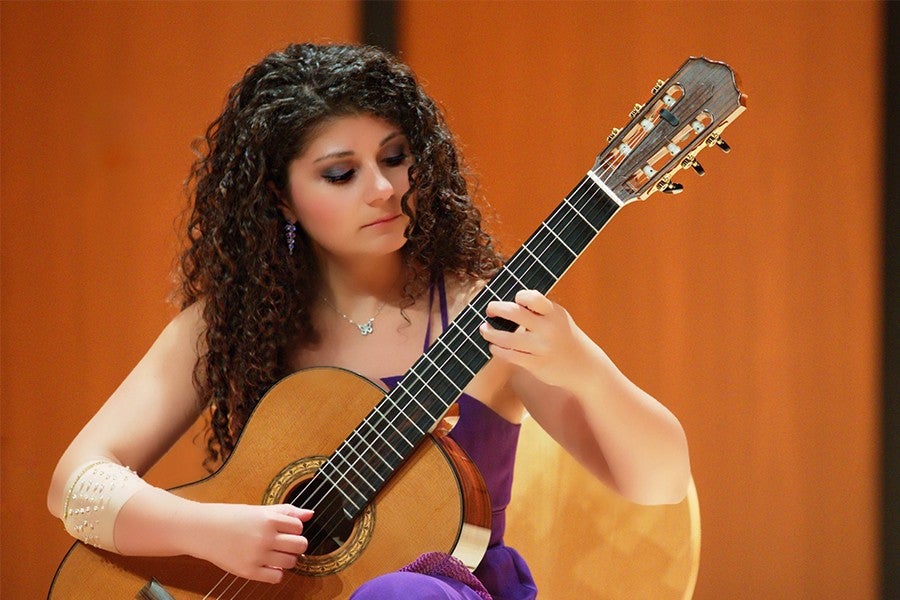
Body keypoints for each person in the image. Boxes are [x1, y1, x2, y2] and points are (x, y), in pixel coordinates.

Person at [47, 43, 691, 599]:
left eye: (395, 157)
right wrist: (210, 531)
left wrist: (584, 367)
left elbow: (659, 483)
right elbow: (76, 485)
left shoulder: (486, 315)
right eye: (340, 173)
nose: (382, 188)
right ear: (281, 197)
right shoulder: (229, 321)